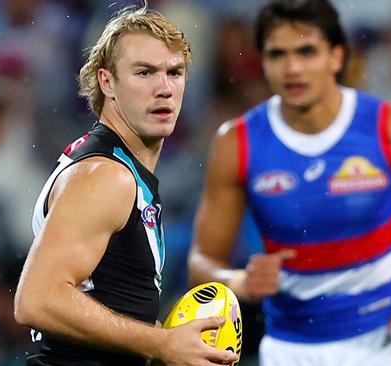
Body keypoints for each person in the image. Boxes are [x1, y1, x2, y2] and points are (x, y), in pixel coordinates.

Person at [188, 0, 391, 365]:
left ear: (337, 57)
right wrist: (240, 281)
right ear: (263, 61)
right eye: (278, 54)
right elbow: (202, 260)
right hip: (289, 350)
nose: (293, 68)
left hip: (387, 348)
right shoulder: (236, 143)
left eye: (307, 51)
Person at [14, 3, 240, 366]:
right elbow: (37, 299)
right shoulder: (106, 177)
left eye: (175, 72)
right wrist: (160, 343)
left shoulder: (118, 169)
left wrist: (165, 343)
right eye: (145, 73)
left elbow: (102, 299)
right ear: (107, 82)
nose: (164, 88)